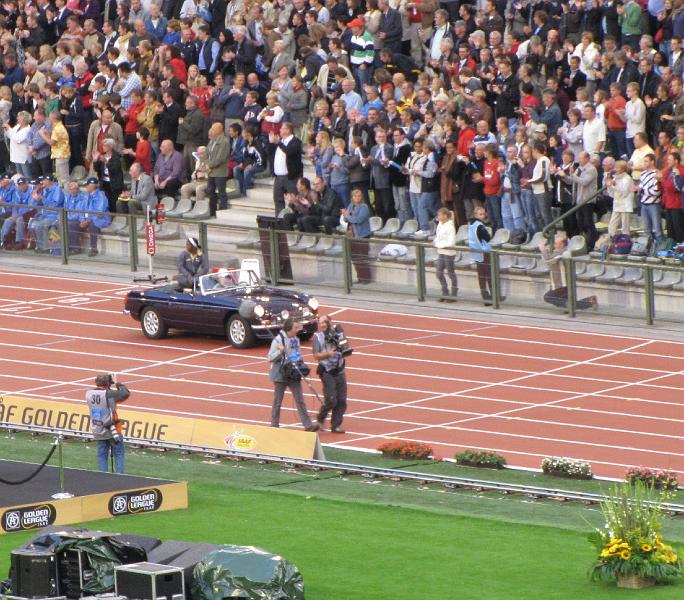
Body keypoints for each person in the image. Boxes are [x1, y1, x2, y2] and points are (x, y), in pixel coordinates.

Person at [268, 318, 320, 431]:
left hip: (293, 373)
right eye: (295, 328)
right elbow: (270, 357)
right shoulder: (278, 340)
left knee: (300, 399)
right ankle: (274, 424)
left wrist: (302, 365)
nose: (297, 330)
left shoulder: (296, 339)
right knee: (278, 401)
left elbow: (298, 355)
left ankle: (308, 425)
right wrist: (280, 351)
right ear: (289, 329)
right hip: (280, 374)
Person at [86, 372, 130, 474]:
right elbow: (125, 393)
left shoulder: (88, 393)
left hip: (97, 429)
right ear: (108, 383)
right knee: (119, 453)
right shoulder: (108, 394)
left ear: (96, 382)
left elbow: (105, 396)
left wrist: (109, 385)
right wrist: (118, 384)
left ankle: (103, 477)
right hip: (112, 430)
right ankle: (120, 477)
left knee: (102, 455)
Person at [539, 235, 598, 311]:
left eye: (556, 243)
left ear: (562, 244)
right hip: (558, 283)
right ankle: (589, 301)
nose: (554, 245)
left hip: (564, 283)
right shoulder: (556, 252)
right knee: (567, 303)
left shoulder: (565, 252)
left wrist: (543, 249)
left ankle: (588, 301)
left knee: (548, 297)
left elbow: (548, 259)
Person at [312, 314, 348, 433]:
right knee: (331, 399)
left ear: (329, 323)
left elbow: (346, 349)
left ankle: (336, 425)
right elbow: (316, 355)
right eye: (320, 322)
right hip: (327, 371)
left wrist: (342, 337)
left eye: (324, 322)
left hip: (340, 370)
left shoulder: (337, 333)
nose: (322, 324)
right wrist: (328, 354)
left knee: (342, 400)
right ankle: (320, 419)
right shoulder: (317, 336)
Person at [469, 205, 504, 306]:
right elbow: (487, 238)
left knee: (482, 276)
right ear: (476, 215)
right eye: (480, 214)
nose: (483, 216)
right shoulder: (479, 225)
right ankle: (492, 297)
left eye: (484, 214)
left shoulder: (471, 225)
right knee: (488, 275)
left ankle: (487, 297)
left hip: (476, 252)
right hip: (483, 252)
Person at [342, 188, 372, 284]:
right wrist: (345, 216)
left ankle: (366, 278)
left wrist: (348, 216)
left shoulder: (364, 207)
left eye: (359, 196)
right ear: (352, 197)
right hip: (352, 235)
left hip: (362, 235)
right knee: (354, 257)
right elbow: (347, 219)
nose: (357, 198)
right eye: (355, 196)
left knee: (362, 257)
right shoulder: (351, 206)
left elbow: (358, 220)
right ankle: (360, 277)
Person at [433, 207, 458, 302]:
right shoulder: (440, 224)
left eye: (439, 215)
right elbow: (438, 236)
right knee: (439, 273)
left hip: (449, 253)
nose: (438, 217)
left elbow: (451, 242)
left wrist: (439, 244)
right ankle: (445, 292)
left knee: (451, 273)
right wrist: (435, 241)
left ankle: (454, 294)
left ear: (445, 216)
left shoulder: (450, 227)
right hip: (441, 252)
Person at [205, 122, 229, 216]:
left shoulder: (224, 142)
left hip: (220, 172)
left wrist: (210, 166)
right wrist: (207, 164)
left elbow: (220, 158)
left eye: (213, 129)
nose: (211, 130)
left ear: (219, 130)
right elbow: (207, 153)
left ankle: (223, 212)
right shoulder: (212, 141)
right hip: (211, 172)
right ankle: (212, 211)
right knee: (211, 192)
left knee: (221, 192)